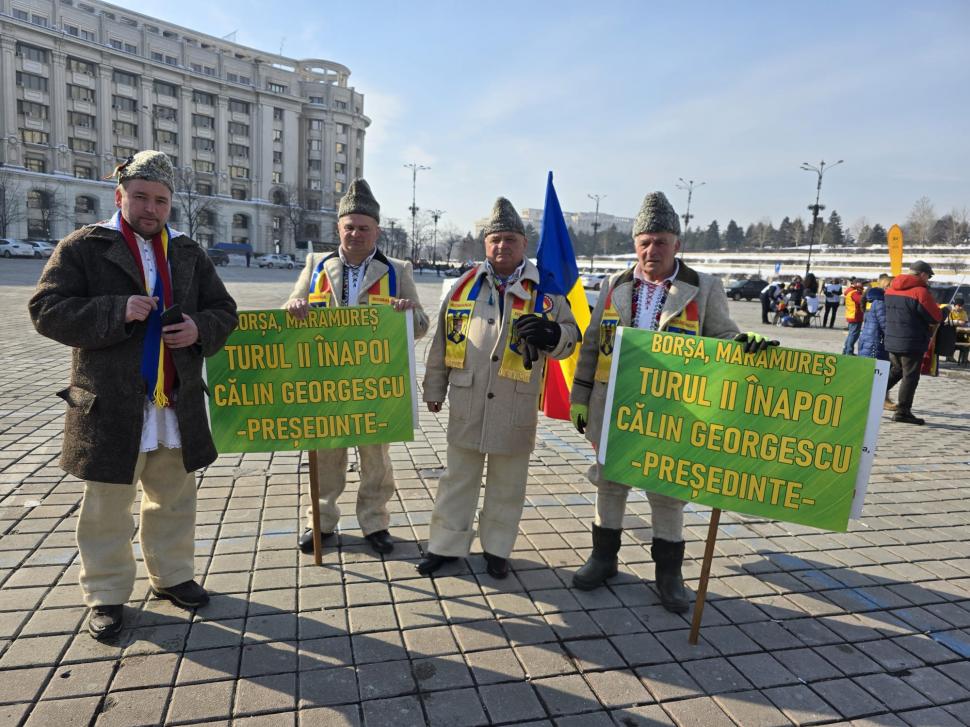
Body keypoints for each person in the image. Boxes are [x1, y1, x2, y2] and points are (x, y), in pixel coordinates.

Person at [28, 150, 238, 640]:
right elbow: (45, 309)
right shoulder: (84, 246)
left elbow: (223, 310)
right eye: (140, 197)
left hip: (174, 398)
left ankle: (172, 576)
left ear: (170, 205)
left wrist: (198, 329)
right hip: (110, 403)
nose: (150, 208)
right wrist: (115, 310)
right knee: (106, 504)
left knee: (173, 496)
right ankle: (105, 593)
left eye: (160, 200)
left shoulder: (187, 251)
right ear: (120, 195)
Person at [568, 192, 767, 614]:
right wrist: (580, 397)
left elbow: (723, 335)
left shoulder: (702, 287)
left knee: (667, 490)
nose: (651, 249)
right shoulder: (614, 285)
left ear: (677, 244)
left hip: (675, 410)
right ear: (634, 244)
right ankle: (603, 559)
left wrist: (743, 345)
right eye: (644, 241)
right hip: (616, 403)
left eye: (660, 241)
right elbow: (590, 347)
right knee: (610, 483)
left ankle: (669, 575)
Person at [419, 198, 580, 578]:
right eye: (494, 240)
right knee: (457, 479)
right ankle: (445, 546)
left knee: (508, 485)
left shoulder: (547, 290)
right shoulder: (463, 286)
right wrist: (434, 387)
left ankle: (497, 549)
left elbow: (573, 339)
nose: (501, 246)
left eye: (509, 239)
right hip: (467, 397)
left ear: (524, 244)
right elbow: (442, 340)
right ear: (485, 244)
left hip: (515, 403)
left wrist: (554, 333)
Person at [284, 179, 429, 555]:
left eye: (364, 227)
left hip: (374, 383)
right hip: (326, 381)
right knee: (326, 455)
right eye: (349, 226)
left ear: (376, 230)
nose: (356, 233)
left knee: (375, 460)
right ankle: (320, 522)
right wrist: (294, 310)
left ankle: (375, 523)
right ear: (339, 229)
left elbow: (423, 326)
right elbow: (290, 310)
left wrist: (408, 314)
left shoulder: (396, 269)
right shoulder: (317, 265)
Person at [884, 261, 944, 425]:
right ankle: (903, 411)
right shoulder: (920, 292)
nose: (928, 280)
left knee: (897, 370)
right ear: (923, 274)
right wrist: (945, 311)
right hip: (911, 341)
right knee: (910, 376)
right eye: (929, 276)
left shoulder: (891, 288)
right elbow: (935, 317)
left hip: (892, 338)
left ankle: (874, 395)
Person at [858, 274, 894, 409]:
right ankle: (879, 399)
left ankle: (881, 398)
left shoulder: (878, 300)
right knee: (876, 373)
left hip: (873, 341)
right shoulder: (881, 302)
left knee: (879, 372)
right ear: (887, 287)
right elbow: (885, 324)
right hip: (874, 342)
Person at [842, 278, 864, 355]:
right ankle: (849, 351)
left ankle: (846, 351)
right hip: (855, 316)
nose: (863, 285)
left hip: (851, 315)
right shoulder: (855, 292)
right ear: (857, 284)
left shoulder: (850, 291)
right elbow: (861, 300)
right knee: (853, 335)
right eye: (862, 283)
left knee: (851, 334)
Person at [947, 295, 969, 365]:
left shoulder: (964, 312)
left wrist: (964, 324)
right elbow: (947, 322)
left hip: (961, 332)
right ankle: (950, 357)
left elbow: (966, 322)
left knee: (967, 342)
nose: (961, 307)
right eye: (959, 306)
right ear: (955, 305)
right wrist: (957, 322)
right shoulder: (950, 311)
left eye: (962, 306)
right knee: (952, 339)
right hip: (951, 332)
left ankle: (964, 358)